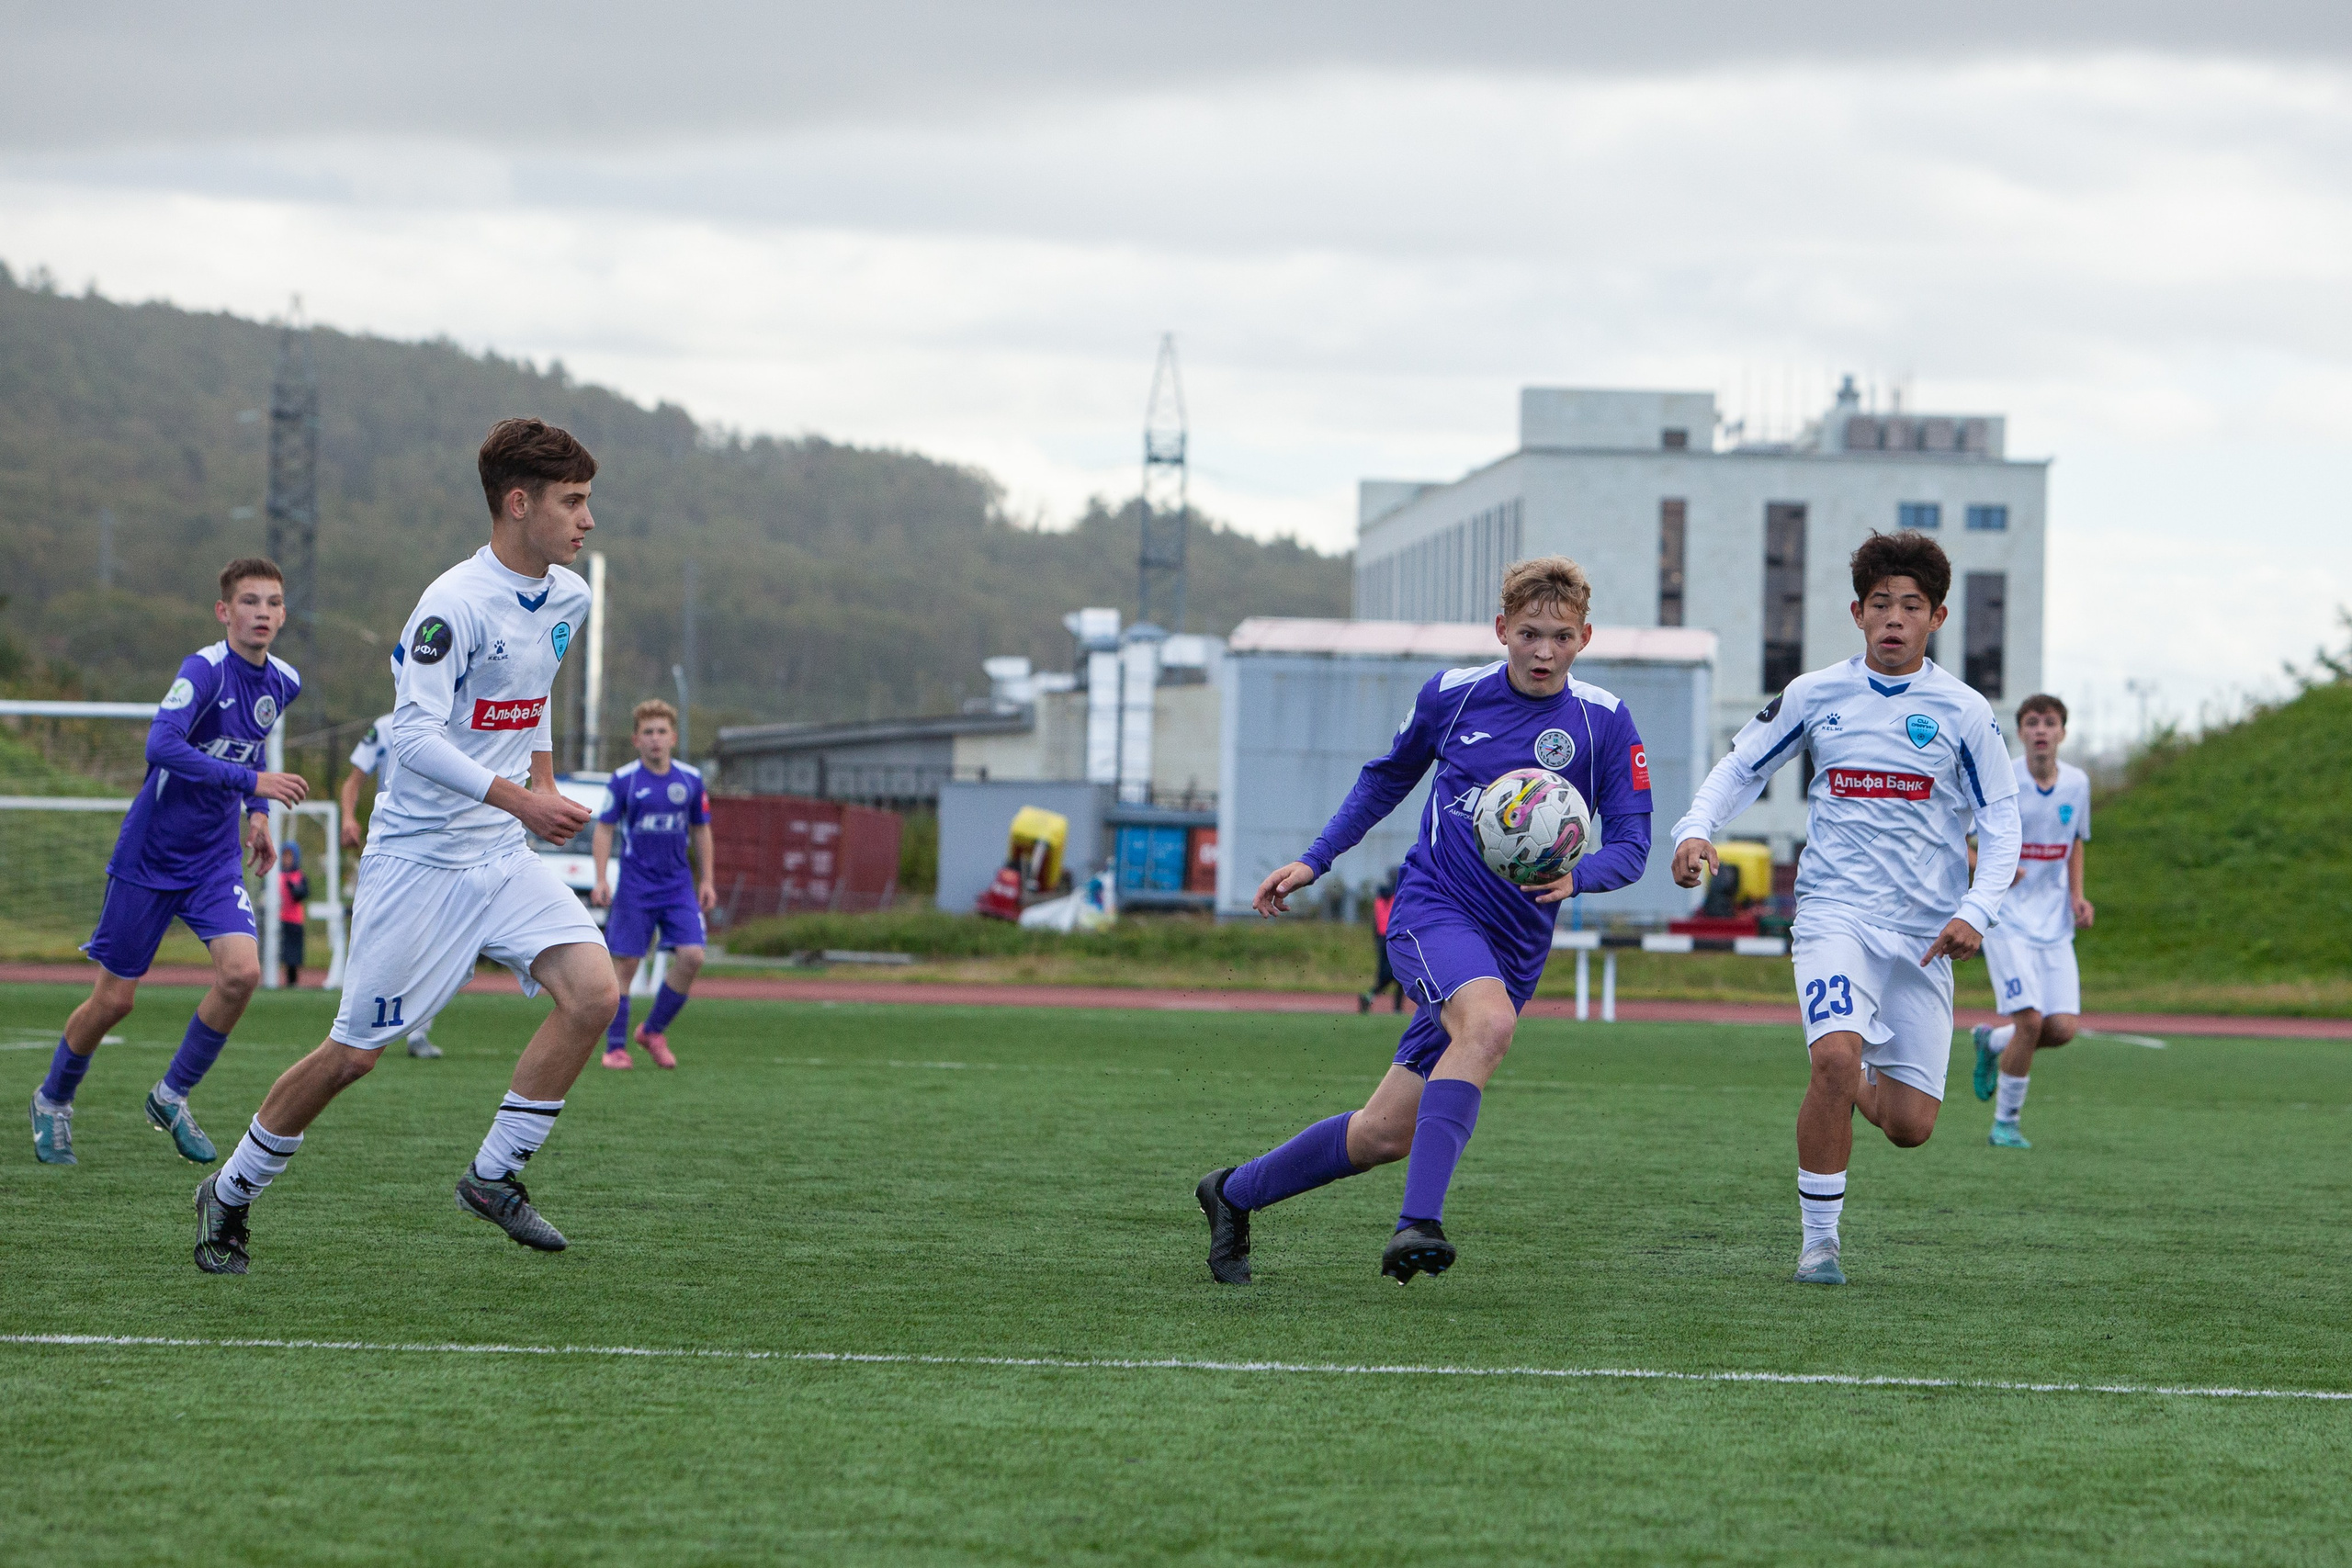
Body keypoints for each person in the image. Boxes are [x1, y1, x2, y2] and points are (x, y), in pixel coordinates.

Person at [190, 417, 617, 1274]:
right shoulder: (449, 606)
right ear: (518, 503)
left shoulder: (568, 596)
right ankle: (230, 1189)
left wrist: (537, 786)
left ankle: (494, 1176)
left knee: (594, 993)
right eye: (573, 502)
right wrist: (519, 800)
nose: (588, 520)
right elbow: (413, 740)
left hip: (499, 853)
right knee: (353, 1056)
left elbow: (528, 697)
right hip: (418, 863)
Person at [1198, 557, 1654, 1285]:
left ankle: (1232, 1192)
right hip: (1432, 912)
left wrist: (1582, 873)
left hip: (1514, 948)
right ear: (1501, 629)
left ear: (1585, 637)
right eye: (1529, 633)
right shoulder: (1454, 697)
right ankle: (1419, 1222)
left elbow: (1632, 845)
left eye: (1561, 636)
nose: (1543, 651)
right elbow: (1385, 778)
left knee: (1383, 1132)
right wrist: (1317, 858)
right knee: (1489, 1026)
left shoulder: (1604, 722)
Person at [1669, 530, 2020, 1286]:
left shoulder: (1964, 712)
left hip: (1924, 935)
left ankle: (1860, 1066)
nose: (1895, 618)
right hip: (1833, 914)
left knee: (1910, 1126)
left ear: (1938, 618)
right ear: (1857, 613)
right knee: (1831, 1058)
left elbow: (2001, 825)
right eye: (1882, 604)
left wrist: (1977, 912)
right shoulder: (1815, 693)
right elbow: (1742, 765)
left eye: (1913, 606)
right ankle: (1819, 1244)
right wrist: (1696, 828)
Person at [31, 558, 308, 1168]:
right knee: (114, 1001)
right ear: (225, 611)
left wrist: (256, 812)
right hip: (150, 857)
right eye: (250, 601)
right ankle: (52, 1100)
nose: (262, 612)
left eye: (273, 602)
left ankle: (172, 1095)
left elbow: (250, 746)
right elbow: (162, 744)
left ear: (284, 614)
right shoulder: (203, 669)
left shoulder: (283, 680)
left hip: (213, 862)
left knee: (241, 974)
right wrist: (252, 780)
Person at [1970, 694, 2094, 1149]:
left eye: (2050, 722)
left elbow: (2075, 842)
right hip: (2007, 919)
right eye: (2032, 723)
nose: (2041, 730)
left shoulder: (2078, 784)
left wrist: (2078, 897)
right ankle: (2005, 1124)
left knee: (2060, 1030)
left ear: (2062, 732)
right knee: (2030, 1022)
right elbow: (1958, 837)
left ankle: (1991, 1042)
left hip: (2055, 923)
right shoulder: (2002, 779)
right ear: (2020, 733)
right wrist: (1990, 863)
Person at [594, 699, 717, 1070]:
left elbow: (701, 830)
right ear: (636, 739)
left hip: (678, 885)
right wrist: (601, 877)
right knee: (626, 965)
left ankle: (652, 1031)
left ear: (673, 737)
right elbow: (604, 827)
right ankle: (615, 1048)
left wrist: (707, 879)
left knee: (693, 956)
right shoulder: (624, 780)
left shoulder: (690, 780)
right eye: (648, 732)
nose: (655, 739)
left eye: (662, 732)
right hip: (635, 885)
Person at [341, 712, 444, 1057]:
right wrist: (348, 818)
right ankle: (358, 1019)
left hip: (438, 848)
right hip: (392, 845)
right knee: (379, 933)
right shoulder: (385, 728)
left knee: (431, 940)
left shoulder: (451, 722)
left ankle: (418, 1033)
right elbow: (354, 780)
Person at [1356, 869, 1404, 1013]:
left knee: (1390, 975)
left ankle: (1372, 997)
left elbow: (1375, 923)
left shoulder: (1378, 900)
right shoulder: (1398, 896)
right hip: (1395, 938)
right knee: (1396, 975)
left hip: (1381, 939)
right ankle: (1395, 1008)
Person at [277, 841, 310, 990]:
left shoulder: (299, 876)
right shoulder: (277, 876)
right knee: (281, 951)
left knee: (294, 953)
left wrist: (293, 887)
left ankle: (293, 980)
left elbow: (302, 894)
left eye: (290, 856)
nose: (287, 860)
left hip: (295, 920)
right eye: (285, 856)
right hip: (280, 919)